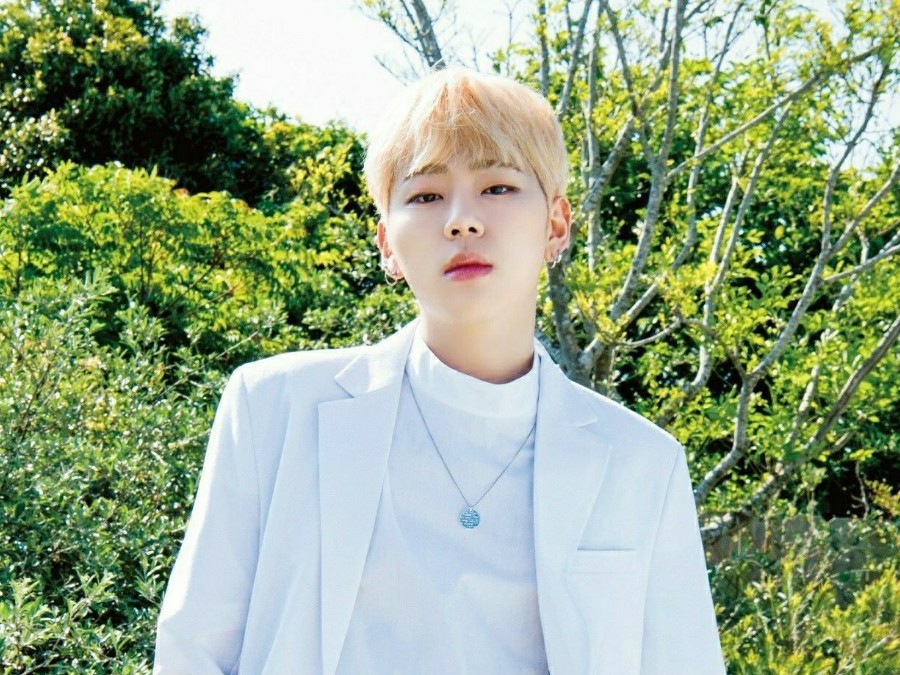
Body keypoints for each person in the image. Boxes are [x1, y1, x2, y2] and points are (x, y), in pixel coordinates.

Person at [154, 66, 725, 675]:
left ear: (556, 225)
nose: (461, 220)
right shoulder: (273, 409)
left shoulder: (641, 462)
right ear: (387, 244)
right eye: (425, 196)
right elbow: (194, 652)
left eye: (498, 186)